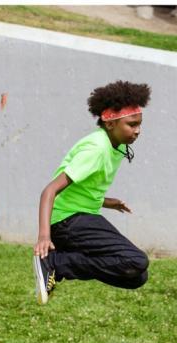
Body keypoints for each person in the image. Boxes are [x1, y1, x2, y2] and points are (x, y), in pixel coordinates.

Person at [32, 80, 151, 305]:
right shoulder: (96, 149)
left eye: (139, 124)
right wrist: (44, 237)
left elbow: (82, 187)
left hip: (80, 216)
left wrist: (106, 202)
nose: (137, 131)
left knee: (136, 276)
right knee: (136, 260)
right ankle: (55, 263)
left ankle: (62, 264)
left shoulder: (117, 145)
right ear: (110, 124)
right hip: (66, 221)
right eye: (131, 124)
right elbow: (49, 191)